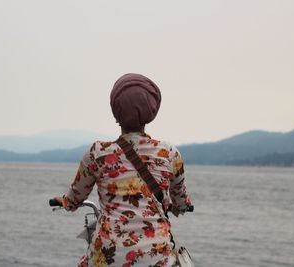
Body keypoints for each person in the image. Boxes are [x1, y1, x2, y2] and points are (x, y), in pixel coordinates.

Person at [55, 73, 193, 267]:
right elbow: (180, 200)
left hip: (108, 255)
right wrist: (180, 206)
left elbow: (75, 197)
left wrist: (66, 202)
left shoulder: (97, 152)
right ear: (152, 110)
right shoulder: (169, 153)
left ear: (115, 110)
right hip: (157, 258)